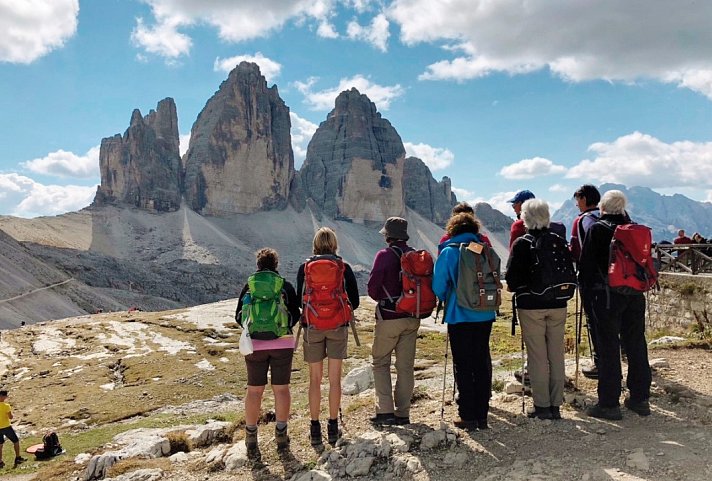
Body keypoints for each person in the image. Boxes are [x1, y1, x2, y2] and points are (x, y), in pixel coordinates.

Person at [579, 190, 652, 420]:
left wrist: (586, 296)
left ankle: (609, 403)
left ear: (602, 208)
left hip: (607, 296)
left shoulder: (597, 229)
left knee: (608, 347)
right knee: (636, 343)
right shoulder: (633, 229)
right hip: (635, 294)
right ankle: (640, 398)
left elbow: (587, 267)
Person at [505, 200, 569, 420]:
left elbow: (512, 280)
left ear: (525, 218)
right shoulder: (558, 241)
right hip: (559, 303)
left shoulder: (522, 243)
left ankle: (542, 406)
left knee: (538, 357)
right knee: (556, 354)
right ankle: (556, 404)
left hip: (531, 305)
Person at [433, 213, 497, 430]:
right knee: (480, 362)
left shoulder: (450, 252)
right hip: (486, 313)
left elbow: (438, 286)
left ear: (452, 230)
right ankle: (482, 415)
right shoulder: (483, 248)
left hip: (460, 315)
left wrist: (448, 295)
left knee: (463, 364)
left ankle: (467, 416)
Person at [296, 227, 360, 445]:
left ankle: (314, 429)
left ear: (315, 245)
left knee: (314, 379)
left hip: (313, 326)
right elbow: (356, 302)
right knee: (335, 380)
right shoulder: (343, 267)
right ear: (334, 245)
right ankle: (333, 427)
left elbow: (299, 301)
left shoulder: (304, 268)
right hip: (337, 326)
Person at [235, 248, 301, 453]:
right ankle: (281, 434)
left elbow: (239, 316)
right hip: (282, 344)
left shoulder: (250, 286)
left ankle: (251, 437)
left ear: (258, 265)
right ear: (276, 265)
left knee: (254, 390)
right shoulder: (285, 286)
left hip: (255, 345)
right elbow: (295, 314)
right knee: (281, 389)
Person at [367, 217, 421, 426]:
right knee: (405, 366)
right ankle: (403, 413)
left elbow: (372, 288)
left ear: (388, 235)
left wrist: (386, 298)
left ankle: (385, 411)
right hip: (412, 318)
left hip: (389, 317)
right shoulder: (415, 255)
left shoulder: (384, 255)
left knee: (381, 362)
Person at [570, 184, 602, 379]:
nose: (576, 205)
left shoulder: (581, 221)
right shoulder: (613, 216)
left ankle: (599, 363)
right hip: (618, 277)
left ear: (583, 199)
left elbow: (575, 250)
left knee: (594, 321)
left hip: (591, 279)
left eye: (577, 200)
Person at [0, 389, 27, 468]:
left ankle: (0, 461)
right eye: (6, 396)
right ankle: (18, 458)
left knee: (0, 445)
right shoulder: (6, 406)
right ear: (3, 396)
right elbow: (10, 417)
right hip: (6, 427)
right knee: (16, 441)